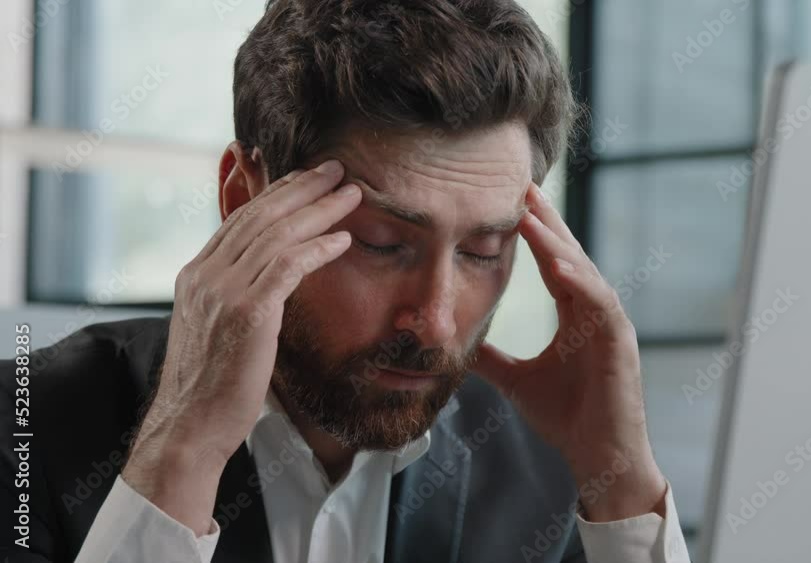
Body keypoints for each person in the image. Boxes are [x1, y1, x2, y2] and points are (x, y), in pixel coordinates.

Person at [0, 1, 690, 561]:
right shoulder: (21, 425)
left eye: (484, 250)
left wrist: (621, 477)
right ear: (243, 199)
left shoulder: (558, 470)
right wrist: (183, 450)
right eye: (381, 244)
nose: (436, 321)